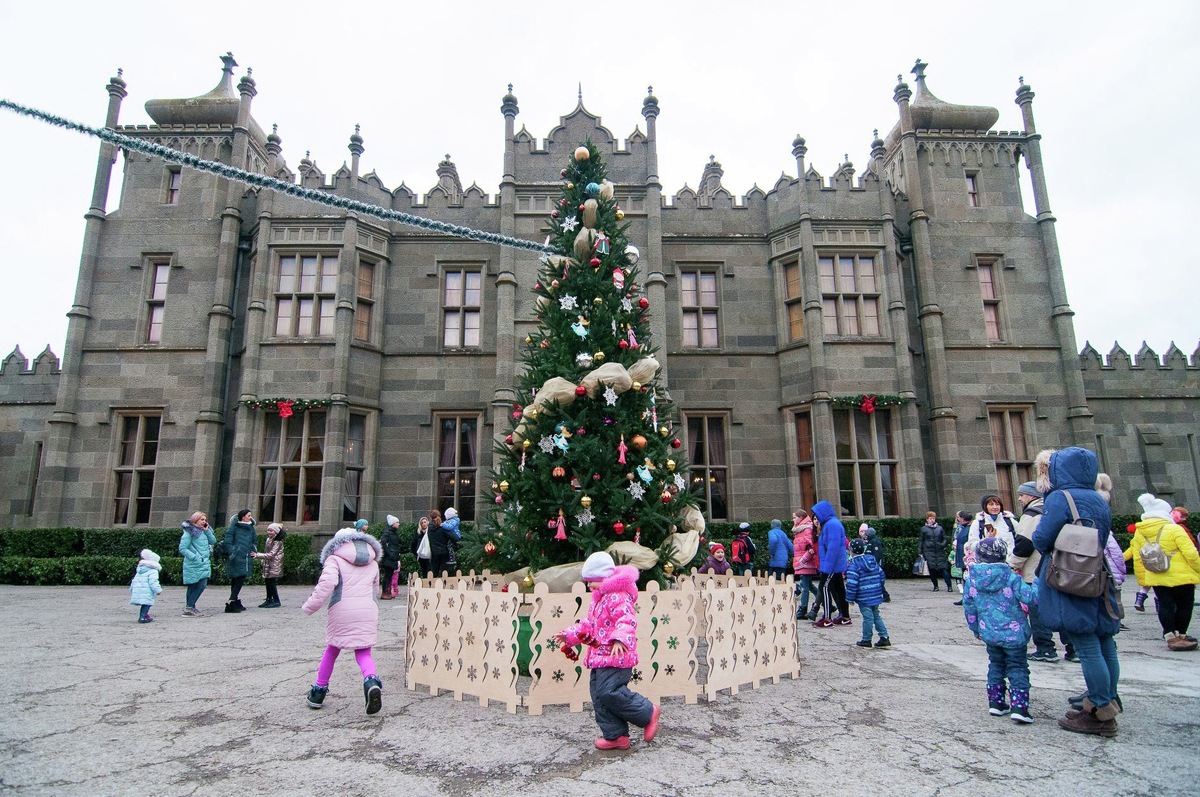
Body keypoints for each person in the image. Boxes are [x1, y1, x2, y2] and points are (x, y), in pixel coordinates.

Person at [1032, 446, 1122, 737]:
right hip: (1098, 572)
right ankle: (1107, 698)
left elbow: (1043, 538)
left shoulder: (1060, 497)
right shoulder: (1098, 497)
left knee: (1085, 642)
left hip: (1072, 575)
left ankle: (1099, 712)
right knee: (1104, 639)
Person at [556, 551, 660, 750]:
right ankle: (615, 736)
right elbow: (589, 625)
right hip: (599, 656)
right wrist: (569, 635)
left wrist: (619, 639)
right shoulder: (598, 599)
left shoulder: (618, 596)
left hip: (616, 656)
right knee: (599, 697)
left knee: (609, 692)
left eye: (591, 581)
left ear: (603, 578)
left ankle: (648, 712)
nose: (589, 586)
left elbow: (627, 619)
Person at [302, 525, 384, 714]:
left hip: (342, 609)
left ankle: (318, 692)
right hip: (367, 610)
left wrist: (310, 606)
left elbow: (327, 584)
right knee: (364, 651)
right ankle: (371, 681)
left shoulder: (334, 559)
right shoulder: (373, 562)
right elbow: (376, 590)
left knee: (332, 649)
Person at [963, 537, 1037, 724]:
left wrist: (975, 629)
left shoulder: (972, 580)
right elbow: (1030, 598)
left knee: (995, 665)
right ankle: (1019, 707)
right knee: (1018, 666)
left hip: (989, 632)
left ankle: (995, 702)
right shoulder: (1012, 578)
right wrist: (1037, 584)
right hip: (1014, 634)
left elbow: (969, 608)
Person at [1125, 493, 1200, 652]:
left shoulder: (1140, 532)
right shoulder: (1174, 529)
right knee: (1184, 606)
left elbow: (1138, 557)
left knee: (1165, 606)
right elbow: (1191, 554)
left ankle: (1169, 636)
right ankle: (1181, 635)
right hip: (1182, 576)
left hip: (1156, 574)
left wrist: (1143, 579)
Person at [1010, 479, 1058, 663]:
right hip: (1056, 567)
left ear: (1032, 496)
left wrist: (1014, 563)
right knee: (1060, 607)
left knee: (1036, 609)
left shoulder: (1031, 514)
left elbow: (1024, 543)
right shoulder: (1052, 510)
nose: (1020, 499)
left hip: (1035, 569)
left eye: (1022, 495)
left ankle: (1046, 648)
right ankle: (1072, 649)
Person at [812, 500, 851, 628]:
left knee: (824, 588)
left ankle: (827, 618)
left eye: (817, 515)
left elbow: (832, 548)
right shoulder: (832, 524)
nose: (816, 518)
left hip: (831, 566)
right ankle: (844, 616)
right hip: (835, 565)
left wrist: (826, 568)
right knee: (839, 589)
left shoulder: (831, 525)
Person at [846, 538, 889, 648]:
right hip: (875, 594)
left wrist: (850, 598)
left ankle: (866, 639)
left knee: (868, 618)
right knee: (876, 616)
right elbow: (881, 575)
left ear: (851, 551)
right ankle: (884, 637)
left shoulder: (854, 565)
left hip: (864, 597)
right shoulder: (872, 560)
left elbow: (852, 584)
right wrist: (879, 588)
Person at [218, 509, 257, 613]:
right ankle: (231, 601)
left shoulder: (251, 527)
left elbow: (254, 540)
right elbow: (228, 540)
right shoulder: (234, 527)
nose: (250, 517)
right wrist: (233, 551)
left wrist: (253, 550)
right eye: (248, 515)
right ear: (242, 516)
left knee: (239, 578)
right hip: (236, 556)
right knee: (238, 577)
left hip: (246, 556)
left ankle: (234, 601)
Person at [179, 511, 217, 617]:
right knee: (196, 585)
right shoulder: (189, 532)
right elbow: (183, 548)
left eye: (205, 520)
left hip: (203, 562)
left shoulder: (204, 531)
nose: (204, 522)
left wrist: (208, 531)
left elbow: (213, 541)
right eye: (202, 519)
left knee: (199, 584)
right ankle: (189, 608)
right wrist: (195, 557)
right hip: (194, 563)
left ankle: (190, 607)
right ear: (195, 520)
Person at [250, 522, 285, 608]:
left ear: (276, 532)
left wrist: (257, 555)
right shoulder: (269, 539)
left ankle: (276, 600)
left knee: (272, 583)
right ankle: (269, 599)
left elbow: (271, 554)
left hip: (274, 564)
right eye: (268, 530)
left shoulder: (278, 542)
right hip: (268, 563)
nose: (269, 532)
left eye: (271, 531)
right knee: (268, 582)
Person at [793, 510, 819, 621]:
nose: (793, 519)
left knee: (804, 587)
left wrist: (803, 560)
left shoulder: (806, 529)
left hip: (805, 562)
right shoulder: (799, 529)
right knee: (809, 585)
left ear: (801, 517)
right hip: (802, 561)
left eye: (795, 517)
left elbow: (810, 547)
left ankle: (803, 609)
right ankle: (822, 601)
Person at [919, 512, 952, 592]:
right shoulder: (924, 529)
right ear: (927, 519)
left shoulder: (939, 528)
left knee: (944, 568)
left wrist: (942, 545)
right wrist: (920, 550)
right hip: (928, 551)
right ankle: (935, 586)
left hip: (939, 550)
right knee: (932, 569)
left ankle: (949, 585)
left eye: (933, 518)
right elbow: (921, 540)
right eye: (930, 518)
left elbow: (944, 538)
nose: (932, 520)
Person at [858, 522, 889, 603]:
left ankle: (885, 596)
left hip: (875, 565)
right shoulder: (871, 541)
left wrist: (874, 564)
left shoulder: (875, 542)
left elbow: (877, 555)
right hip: (872, 564)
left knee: (878, 580)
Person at [129, 548, 163, 623]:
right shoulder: (153, 571)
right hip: (147, 590)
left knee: (145, 603)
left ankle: (145, 615)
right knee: (147, 603)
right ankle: (143, 617)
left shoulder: (140, 569)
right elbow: (153, 581)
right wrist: (158, 590)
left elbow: (134, 580)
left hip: (138, 589)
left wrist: (132, 589)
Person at [379, 515, 402, 599]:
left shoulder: (393, 532)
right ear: (393, 523)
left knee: (390, 575)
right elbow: (383, 542)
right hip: (389, 558)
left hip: (392, 557)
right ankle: (384, 592)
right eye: (397, 522)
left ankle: (387, 592)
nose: (398, 524)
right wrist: (389, 553)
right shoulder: (388, 532)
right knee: (387, 575)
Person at [952, 510, 972, 604]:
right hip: (962, 556)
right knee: (965, 577)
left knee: (968, 578)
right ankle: (965, 598)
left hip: (967, 557)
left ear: (963, 519)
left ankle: (968, 598)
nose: (958, 519)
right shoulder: (964, 528)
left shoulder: (969, 528)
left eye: (959, 517)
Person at [427, 510, 454, 577]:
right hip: (444, 551)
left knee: (434, 571)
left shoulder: (429, 528)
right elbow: (453, 537)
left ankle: (433, 585)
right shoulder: (443, 527)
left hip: (434, 552)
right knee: (444, 572)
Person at [442, 507, 462, 573]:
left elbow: (449, 527)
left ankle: (452, 558)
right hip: (451, 537)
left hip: (455, 536)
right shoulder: (450, 521)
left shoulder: (455, 520)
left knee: (451, 547)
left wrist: (442, 524)